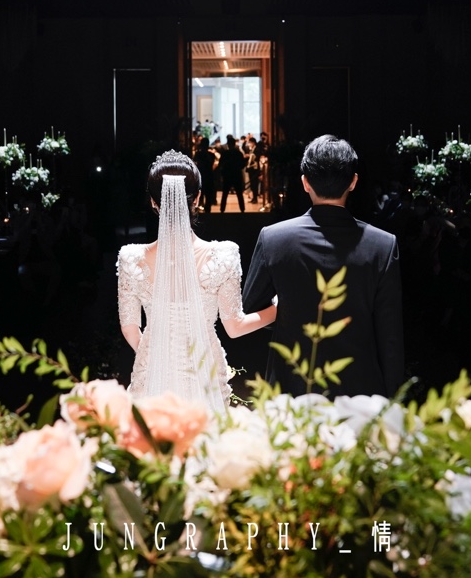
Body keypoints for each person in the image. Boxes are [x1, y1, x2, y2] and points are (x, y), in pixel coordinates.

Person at [241, 135, 406, 397]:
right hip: (360, 390)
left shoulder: (273, 238)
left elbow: (251, 308)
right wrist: (394, 398)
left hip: (291, 386)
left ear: (305, 182)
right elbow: (390, 335)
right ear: (353, 182)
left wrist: (291, 309)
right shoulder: (383, 245)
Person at [117, 151, 276, 414]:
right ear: (198, 198)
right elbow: (235, 327)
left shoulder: (131, 258)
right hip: (205, 369)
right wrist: (279, 308)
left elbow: (130, 329)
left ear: (154, 202)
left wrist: (154, 355)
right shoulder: (223, 255)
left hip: (153, 367)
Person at [217, 136, 247, 212]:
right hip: (237, 174)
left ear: (228, 144)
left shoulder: (225, 153)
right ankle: (242, 209)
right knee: (239, 194)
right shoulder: (238, 153)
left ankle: (222, 210)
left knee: (225, 194)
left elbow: (220, 164)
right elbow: (243, 164)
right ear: (234, 144)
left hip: (227, 175)